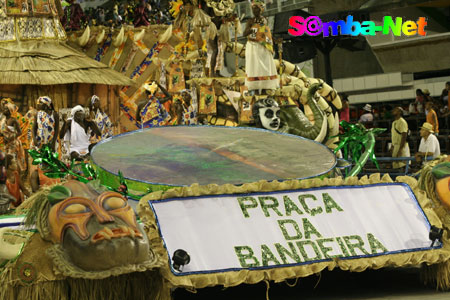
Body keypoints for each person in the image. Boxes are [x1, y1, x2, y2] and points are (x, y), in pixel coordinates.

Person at [244, 0, 279, 94]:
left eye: (257, 9)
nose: (255, 11)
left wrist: (273, 40)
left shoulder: (265, 20)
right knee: (254, 67)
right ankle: (255, 90)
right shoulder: (250, 21)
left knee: (265, 68)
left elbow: (266, 32)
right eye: (254, 9)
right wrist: (253, 29)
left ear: (261, 10)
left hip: (264, 47)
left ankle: (264, 89)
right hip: (253, 46)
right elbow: (245, 33)